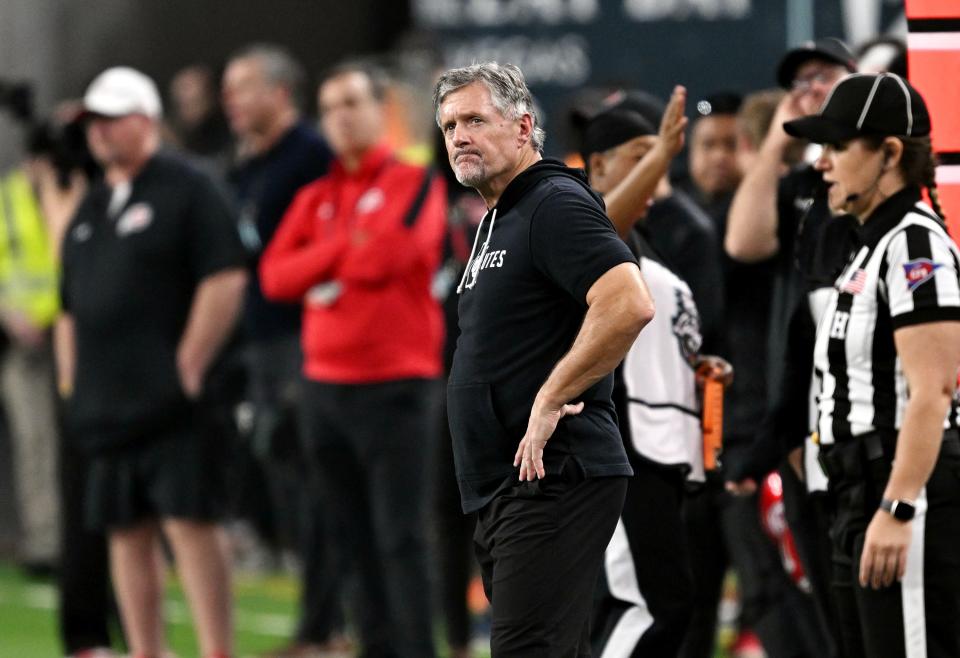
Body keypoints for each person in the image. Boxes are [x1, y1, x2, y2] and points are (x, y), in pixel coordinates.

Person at [434, 61, 654, 656]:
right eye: (450, 124)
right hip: (508, 485)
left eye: (476, 119)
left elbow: (627, 301)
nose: (459, 136)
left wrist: (552, 396)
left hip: (554, 474)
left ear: (524, 126)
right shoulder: (499, 216)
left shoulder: (553, 201)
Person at [58, 66, 247, 658]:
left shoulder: (190, 186)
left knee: (191, 524)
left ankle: (216, 650)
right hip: (107, 407)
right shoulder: (92, 205)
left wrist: (188, 366)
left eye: (112, 120)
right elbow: (69, 305)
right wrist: (71, 381)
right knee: (124, 532)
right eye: (95, 123)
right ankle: (147, 650)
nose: (100, 133)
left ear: (145, 120)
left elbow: (225, 274)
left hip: (173, 405)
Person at [260, 61, 446, 658]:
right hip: (324, 389)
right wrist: (343, 248)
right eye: (329, 106)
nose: (340, 117)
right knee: (349, 539)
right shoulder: (315, 194)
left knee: (402, 538)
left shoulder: (415, 182)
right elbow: (273, 276)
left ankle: (417, 649)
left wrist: (325, 256)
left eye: (351, 103)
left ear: (379, 109)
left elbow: (391, 255)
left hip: (397, 386)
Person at [782, 71, 960, 658]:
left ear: (888, 153)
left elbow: (933, 390)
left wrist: (899, 504)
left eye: (837, 146)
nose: (823, 162)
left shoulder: (914, 244)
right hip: (854, 492)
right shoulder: (868, 246)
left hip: (901, 489)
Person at [581, 90, 732, 658]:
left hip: (662, 447)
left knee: (669, 605)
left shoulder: (650, 240)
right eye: (641, 153)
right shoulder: (581, 227)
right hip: (622, 446)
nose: (658, 165)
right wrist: (665, 150)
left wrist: (691, 363)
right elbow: (599, 233)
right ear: (597, 166)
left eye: (660, 151)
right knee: (642, 606)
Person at [222, 43, 345, 657]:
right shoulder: (244, 165)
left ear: (279, 93)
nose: (229, 101)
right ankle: (319, 620)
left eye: (242, 86)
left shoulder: (312, 157)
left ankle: (324, 627)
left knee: (319, 482)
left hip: (307, 338)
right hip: (260, 341)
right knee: (287, 481)